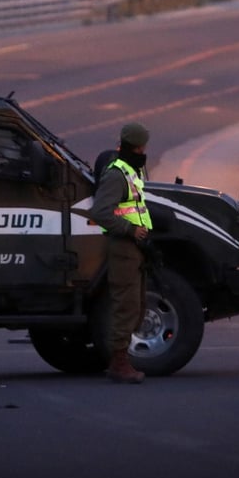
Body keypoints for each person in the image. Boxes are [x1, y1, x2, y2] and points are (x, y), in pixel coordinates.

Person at [91, 122, 153, 384]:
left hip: (135, 249)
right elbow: (100, 212)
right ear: (137, 146)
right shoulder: (117, 174)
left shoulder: (129, 171)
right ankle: (119, 362)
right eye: (142, 146)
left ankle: (120, 358)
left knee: (135, 305)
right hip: (123, 247)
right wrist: (130, 230)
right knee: (125, 306)